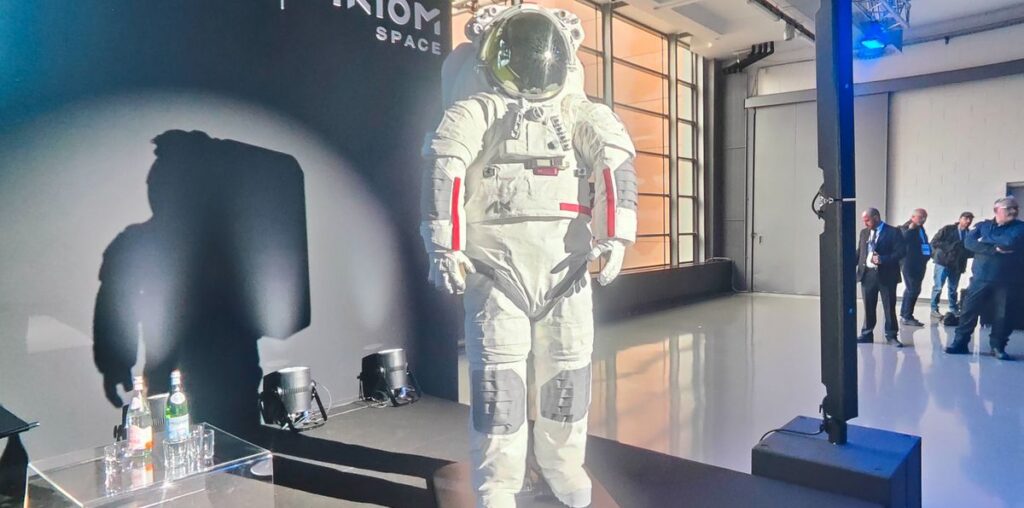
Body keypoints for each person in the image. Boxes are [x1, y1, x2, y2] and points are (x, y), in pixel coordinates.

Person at [420, 5, 637, 507]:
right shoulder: (477, 108)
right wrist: (444, 246)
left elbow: (616, 165)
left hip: (566, 267)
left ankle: (563, 466)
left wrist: (616, 236)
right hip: (498, 268)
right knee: (500, 384)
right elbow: (444, 169)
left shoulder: (577, 110)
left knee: (568, 377)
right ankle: (498, 483)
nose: (535, 73)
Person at [946, 197, 1024, 360]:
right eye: (1008, 208)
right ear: (996, 210)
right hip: (981, 277)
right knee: (968, 311)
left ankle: (998, 346)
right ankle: (960, 343)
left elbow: (1010, 241)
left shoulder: (1020, 228)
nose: (1013, 211)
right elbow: (968, 242)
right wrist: (994, 248)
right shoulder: (983, 225)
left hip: (1008, 279)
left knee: (1004, 314)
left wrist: (985, 242)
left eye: (1015, 208)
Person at [857, 208, 907, 347]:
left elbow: (901, 252)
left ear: (876, 217)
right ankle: (867, 333)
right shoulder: (864, 233)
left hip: (887, 275)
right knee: (868, 306)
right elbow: (860, 252)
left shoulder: (893, 232)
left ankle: (891, 335)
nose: (865, 223)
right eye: (864, 220)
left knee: (889, 306)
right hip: (868, 275)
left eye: (867, 220)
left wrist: (883, 259)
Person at [929, 211, 974, 318]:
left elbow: (970, 250)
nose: (968, 221)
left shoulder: (970, 234)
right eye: (966, 218)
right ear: (960, 219)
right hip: (943, 262)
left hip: (957, 264)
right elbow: (934, 242)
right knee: (938, 287)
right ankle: (934, 309)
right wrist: (950, 247)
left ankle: (953, 309)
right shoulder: (948, 229)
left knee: (953, 288)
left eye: (970, 219)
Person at [898, 208, 930, 326]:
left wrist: (928, 253)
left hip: (920, 263)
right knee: (913, 289)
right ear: (913, 217)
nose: (923, 219)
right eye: (921, 217)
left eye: (925, 217)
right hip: (909, 264)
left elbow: (923, 243)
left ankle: (905, 314)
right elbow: (902, 241)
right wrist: (911, 230)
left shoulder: (921, 228)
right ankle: (907, 316)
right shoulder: (906, 227)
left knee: (913, 289)